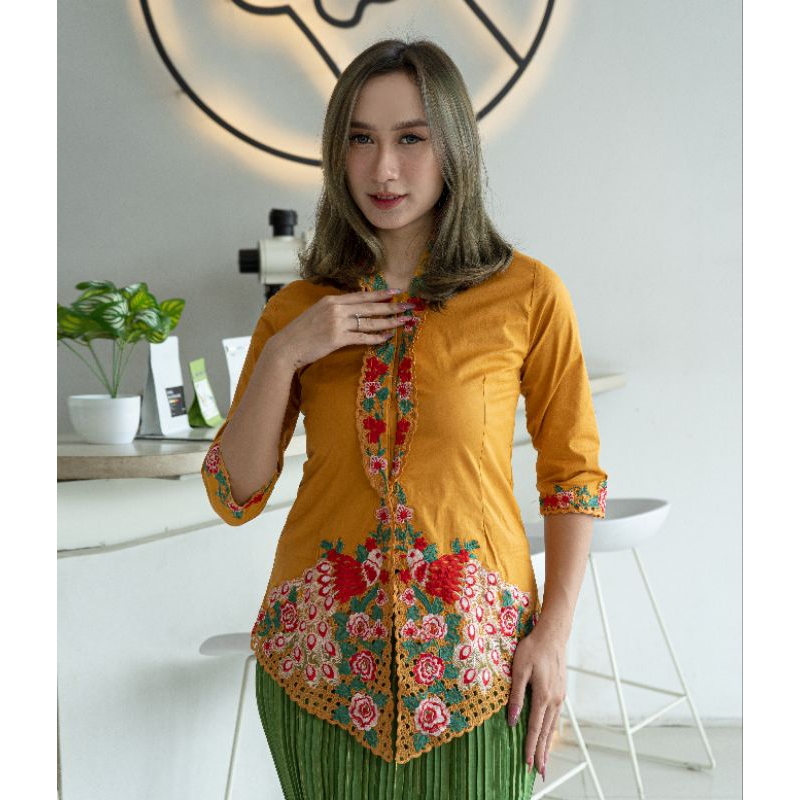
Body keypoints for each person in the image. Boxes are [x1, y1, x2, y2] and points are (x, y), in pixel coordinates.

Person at [202, 38, 607, 800]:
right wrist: (287, 352)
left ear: (453, 146)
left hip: (482, 674)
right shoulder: (298, 310)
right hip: (319, 672)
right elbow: (234, 492)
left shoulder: (528, 294)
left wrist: (553, 635)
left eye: (411, 139)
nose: (383, 169)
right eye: (361, 139)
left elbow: (573, 478)